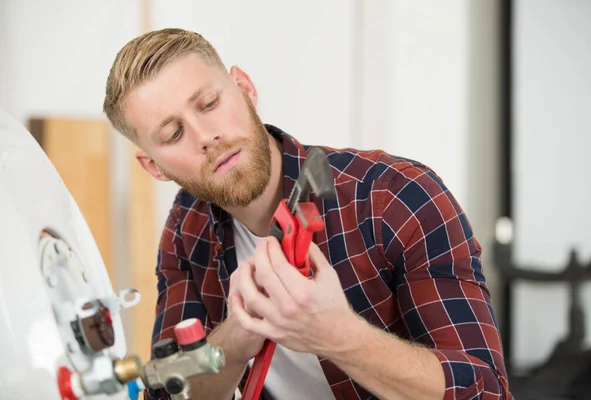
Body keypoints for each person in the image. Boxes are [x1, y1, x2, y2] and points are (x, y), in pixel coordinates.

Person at [103, 28, 513, 400]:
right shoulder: (185, 229)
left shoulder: (395, 197)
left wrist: (336, 335)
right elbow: (169, 395)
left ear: (244, 88)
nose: (206, 137)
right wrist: (232, 340)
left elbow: (486, 392)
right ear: (154, 167)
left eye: (209, 103)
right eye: (173, 134)